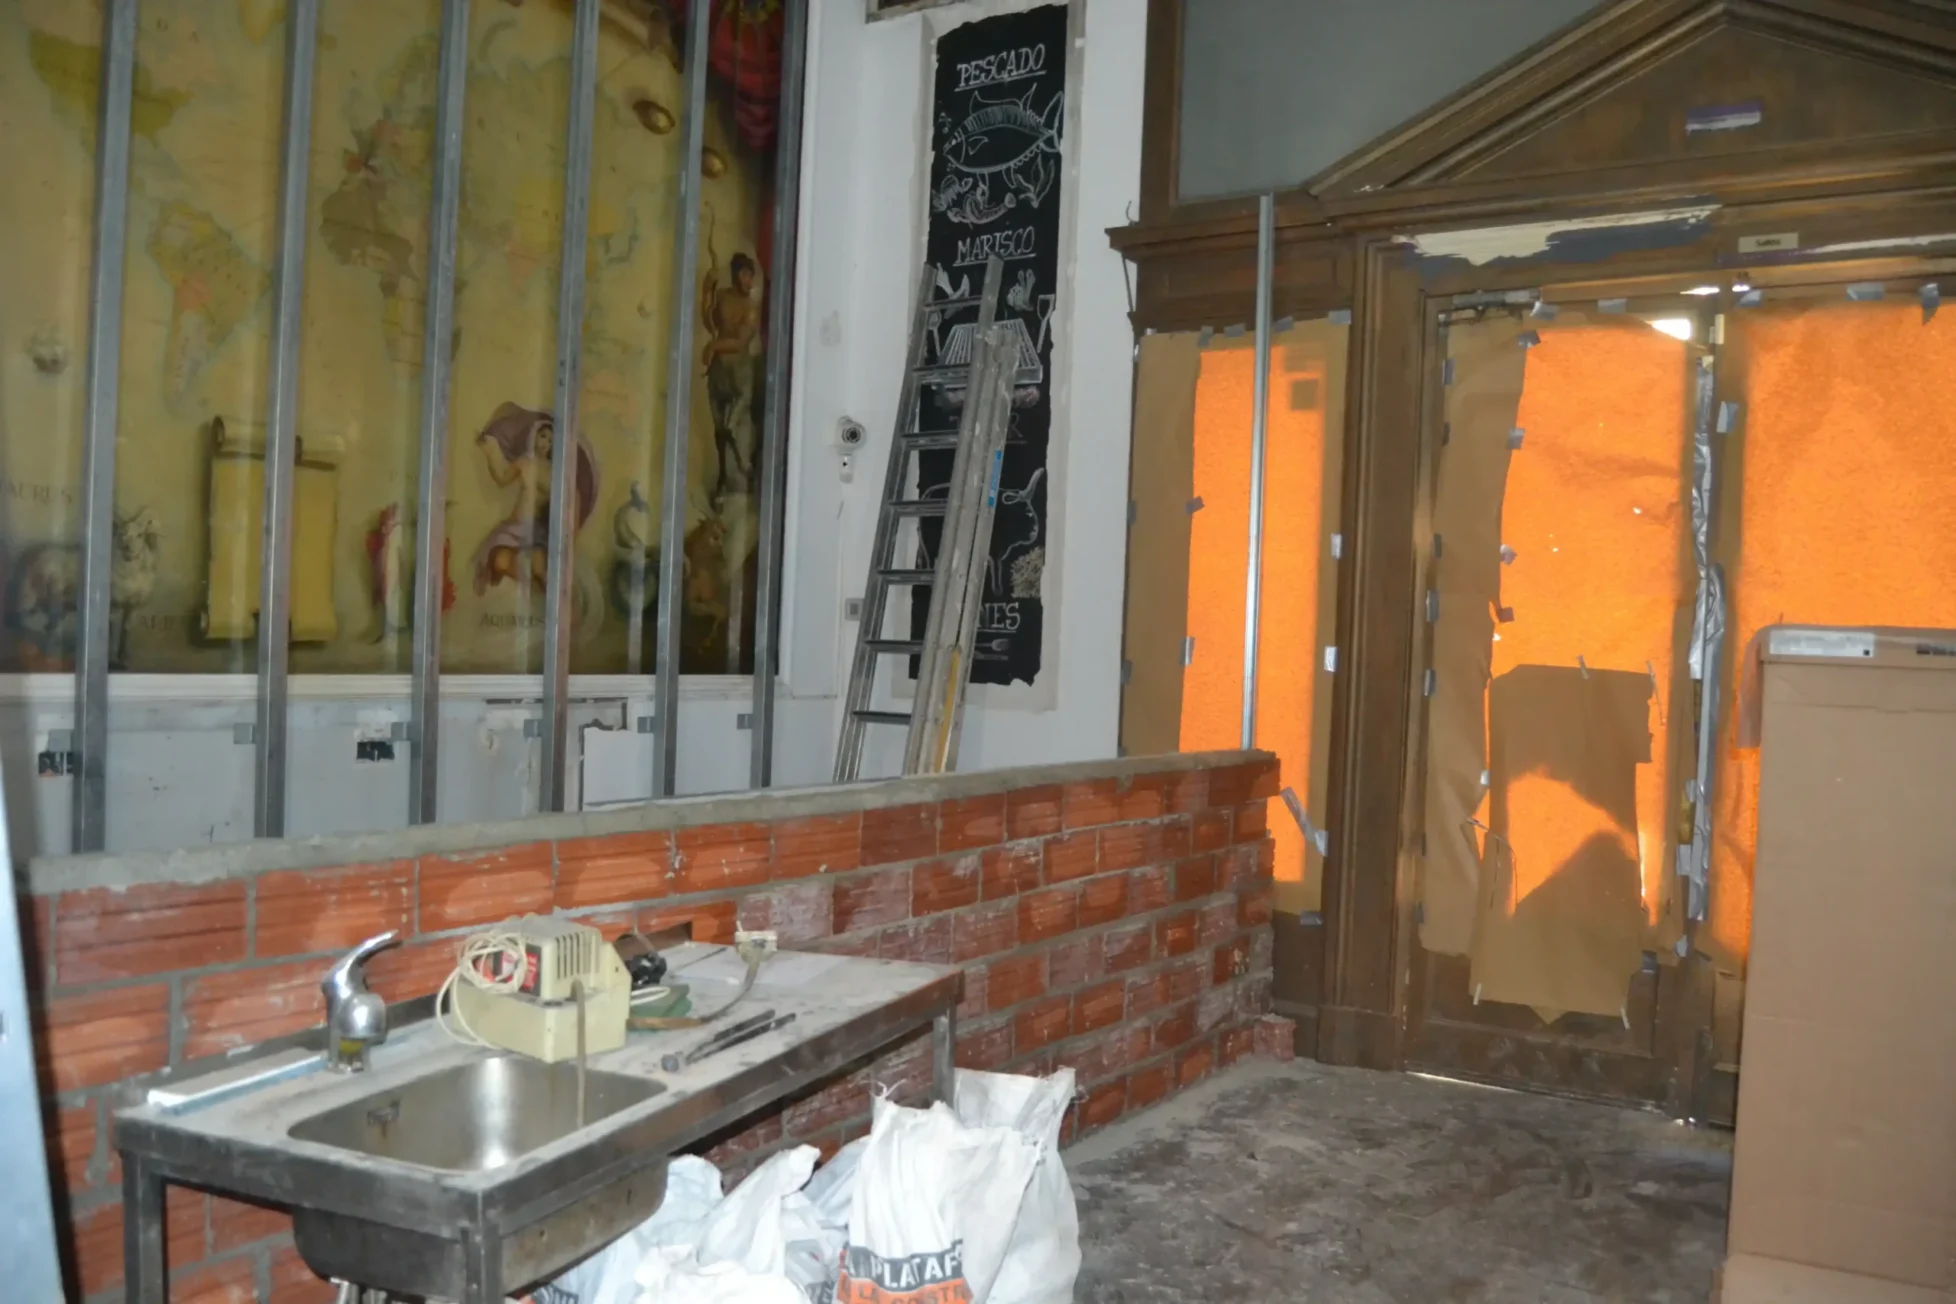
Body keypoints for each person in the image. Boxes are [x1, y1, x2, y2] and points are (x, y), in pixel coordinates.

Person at [701, 252, 762, 499]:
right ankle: (723, 479)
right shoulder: (724, 296)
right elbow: (710, 323)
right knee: (719, 430)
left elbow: (740, 341)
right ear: (736, 274)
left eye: (751, 276)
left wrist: (713, 346)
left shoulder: (751, 308)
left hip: (740, 374)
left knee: (731, 428)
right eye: (745, 274)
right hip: (719, 371)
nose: (748, 281)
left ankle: (744, 471)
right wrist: (707, 290)